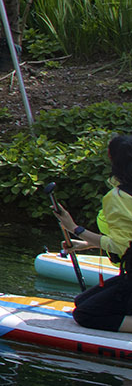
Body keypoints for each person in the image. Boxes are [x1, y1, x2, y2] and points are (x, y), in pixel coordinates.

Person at [55, 135, 132, 331]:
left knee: (84, 314)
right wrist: (86, 244)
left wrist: (75, 229)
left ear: (111, 158)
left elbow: (121, 246)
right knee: (82, 301)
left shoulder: (118, 198)